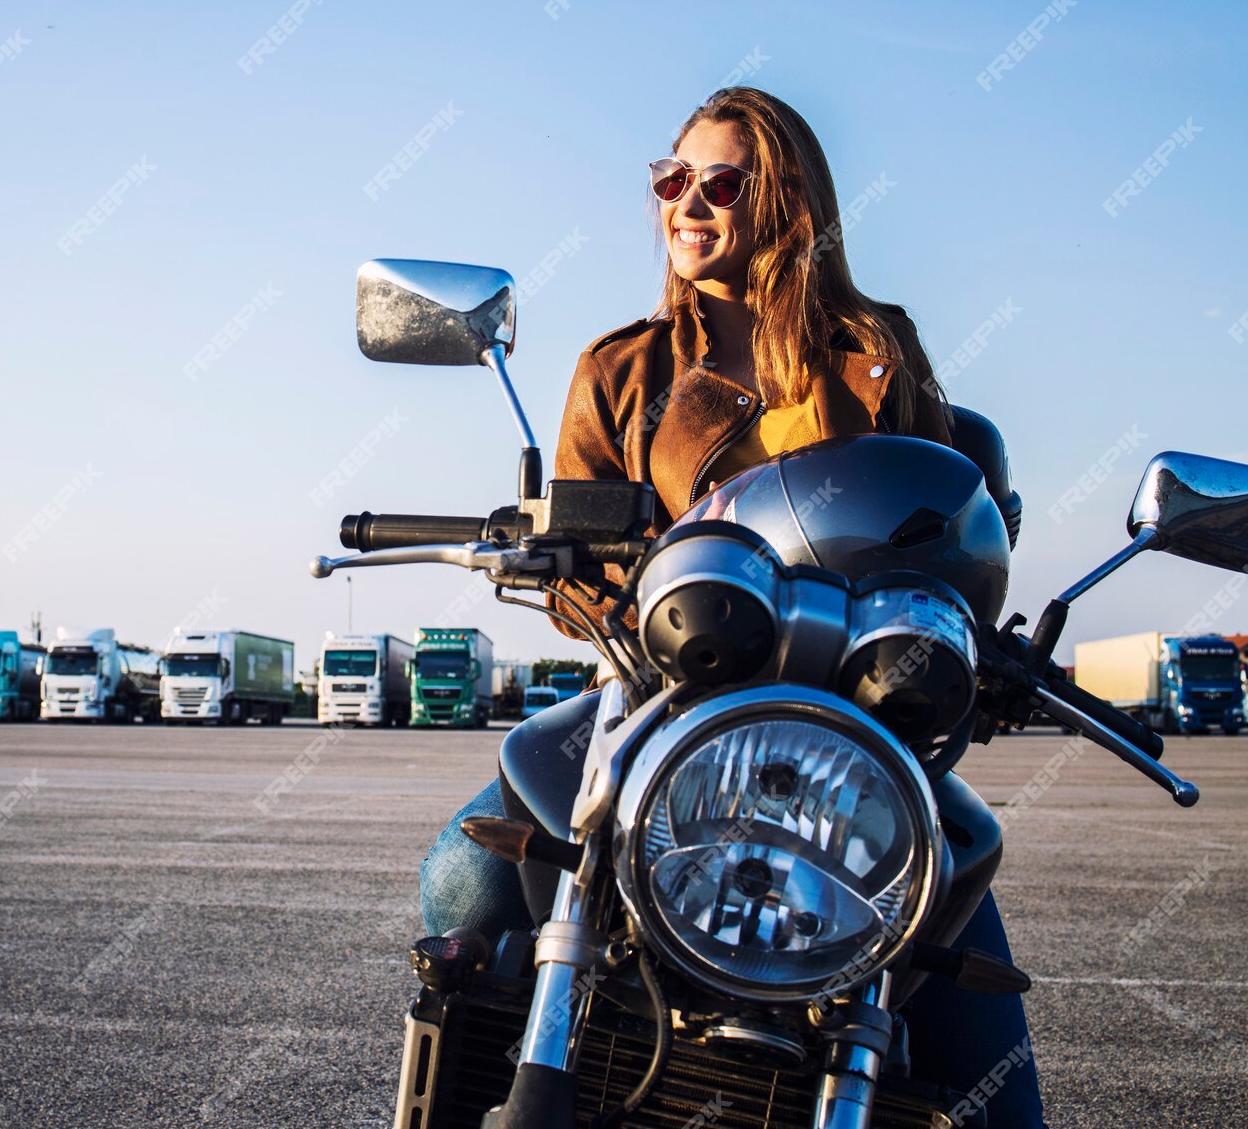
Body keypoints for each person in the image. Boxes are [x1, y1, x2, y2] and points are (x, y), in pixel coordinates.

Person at [419, 87, 1045, 1125]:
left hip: (838, 728)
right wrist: (563, 564)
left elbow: (942, 511)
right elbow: (578, 548)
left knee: (990, 1055)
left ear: (786, 202)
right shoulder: (622, 367)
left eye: (719, 183)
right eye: (670, 179)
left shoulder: (874, 349)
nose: (685, 202)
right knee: (461, 879)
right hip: (663, 700)